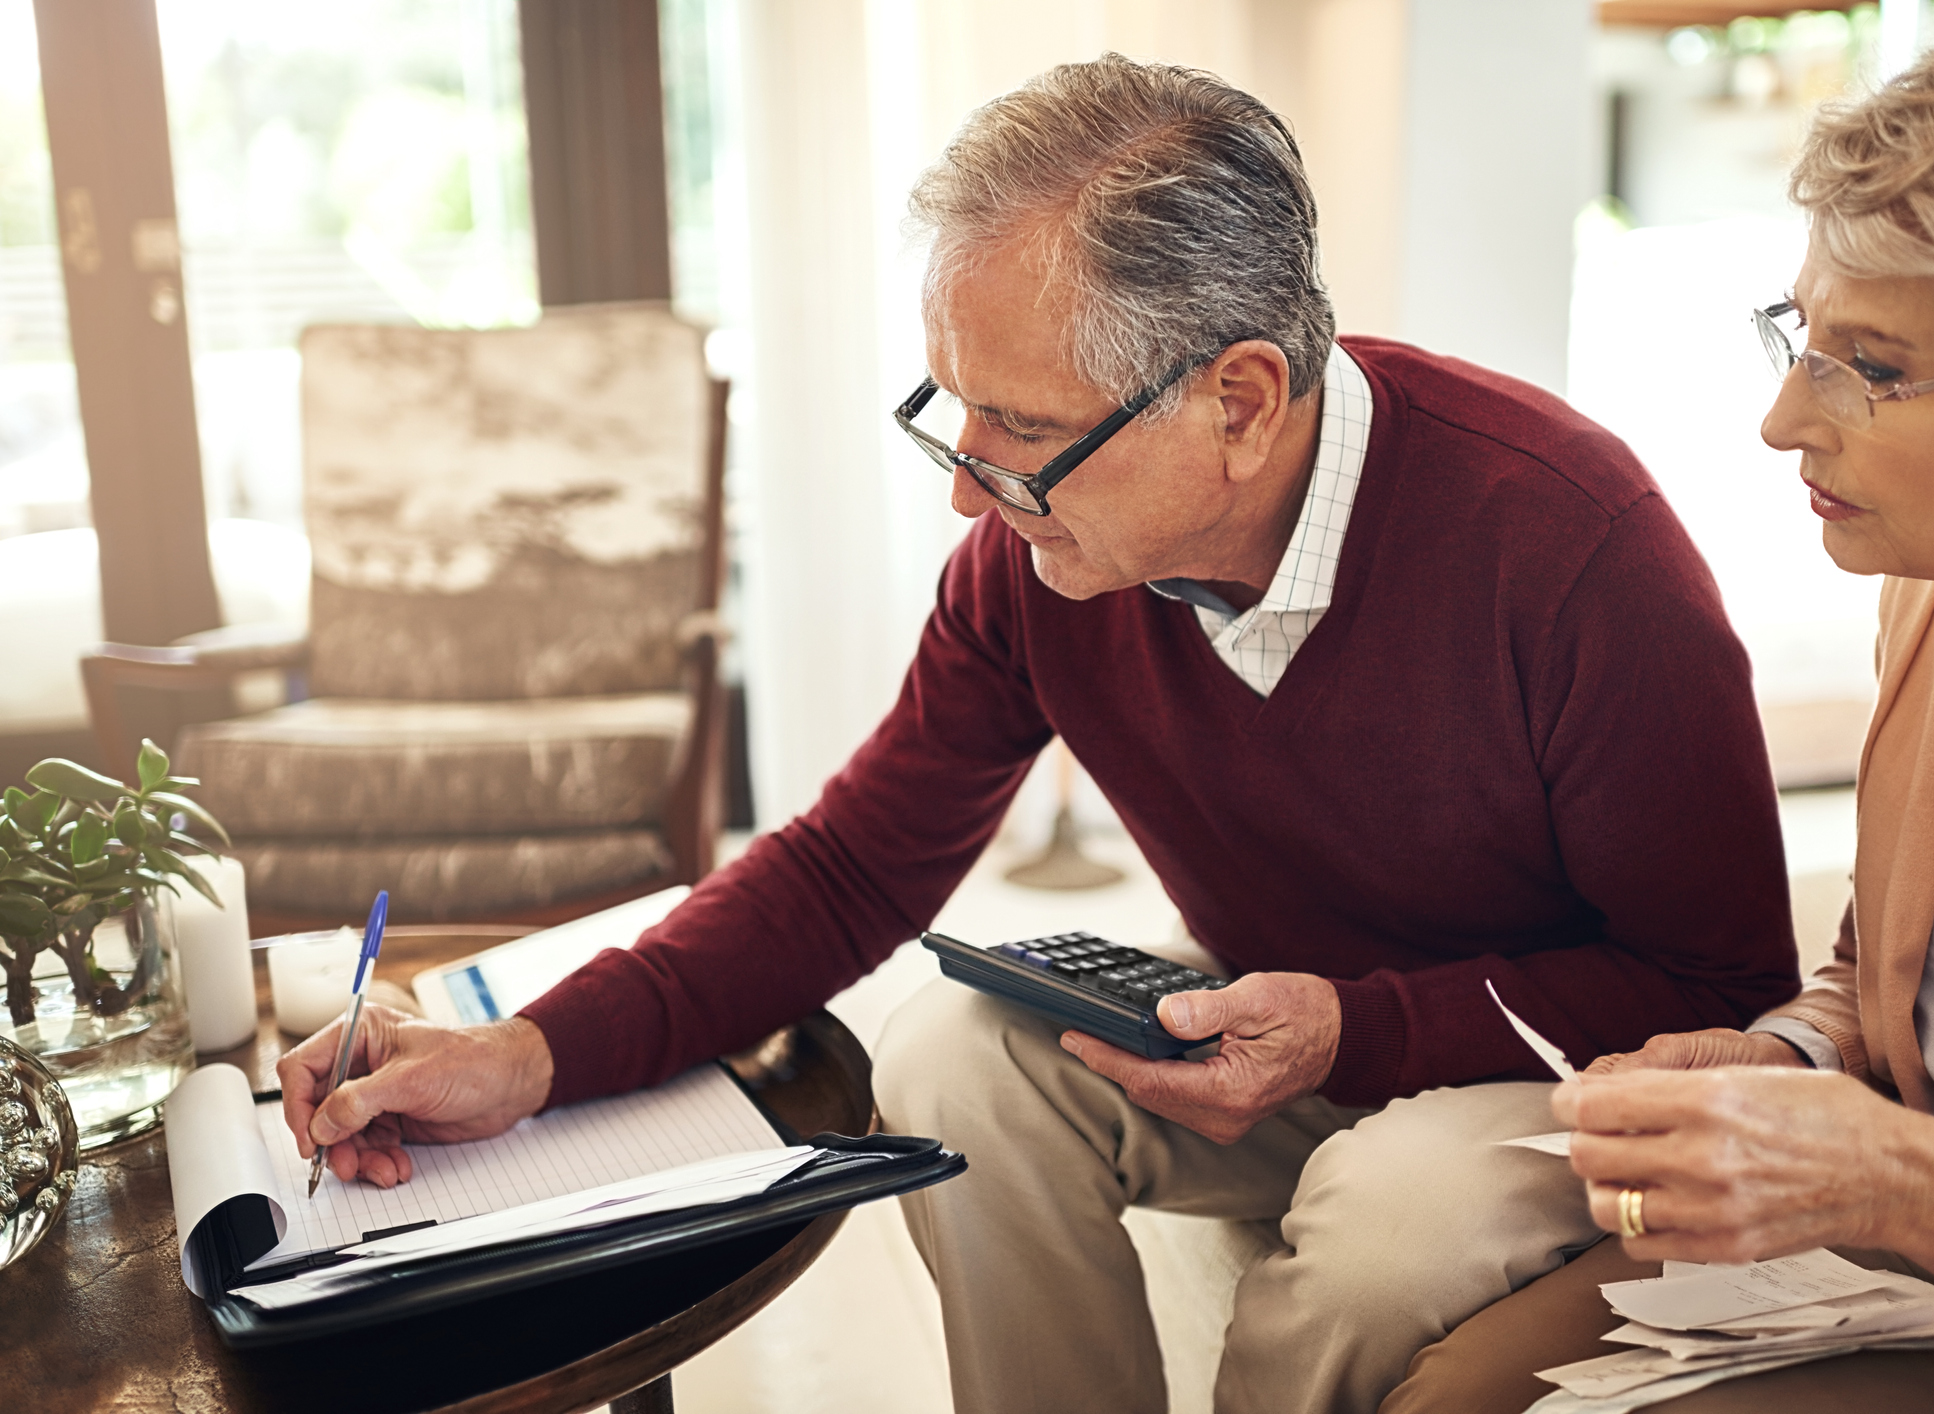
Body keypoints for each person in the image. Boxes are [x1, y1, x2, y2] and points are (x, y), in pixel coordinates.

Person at [277, 56, 1798, 1414]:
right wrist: (533, 1053)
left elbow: (1724, 987)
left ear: (1243, 402)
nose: (969, 485)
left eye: (1016, 426)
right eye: (953, 411)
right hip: (1287, 1025)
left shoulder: (1572, 545)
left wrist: (1362, 1030)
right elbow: (849, 868)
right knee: (948, 1059)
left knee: (1391, 1206)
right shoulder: (1037, 564)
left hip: (1546, 1072)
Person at [1382, 7, 1934, 1412]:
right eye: (1801, 336)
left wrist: (1922, 1183)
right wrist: (1784, 1051)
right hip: (1900, 1251)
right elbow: (1900, 973)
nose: (1785, 420)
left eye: (1876, 367)